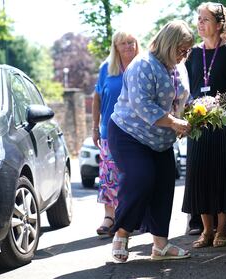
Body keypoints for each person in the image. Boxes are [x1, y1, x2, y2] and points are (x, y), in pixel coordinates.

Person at [107, 19, 194, 263]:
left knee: (164, 186)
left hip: (161, 139)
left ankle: (161, 246)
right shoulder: (143, 65)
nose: (184, 55)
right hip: (129, 133)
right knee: (141, 178)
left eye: (187, 50)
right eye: (181, 49)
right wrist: (175, 123)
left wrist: (189, 118)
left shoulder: (179, 66)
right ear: (169, 44)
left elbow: (181, 99)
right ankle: (122, 233)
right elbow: (142, 105)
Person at [182, 2, 226, 248]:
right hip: (198, 126)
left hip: (225, 124)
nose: (200, 23)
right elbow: (186, 88)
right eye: (198, 18)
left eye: (205, 19)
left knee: (224, 176)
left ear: (219, 25)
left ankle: (222, 230)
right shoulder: (193, 53)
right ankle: (206, 231)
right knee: (200, 176)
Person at [93, 30, 139, 236]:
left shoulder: (143, 66)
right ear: (116, 47)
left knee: (134, 174)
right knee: (109, 175)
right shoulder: (106, 69)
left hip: (137, 130)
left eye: (131, 42)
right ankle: (109, 216)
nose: (128, 47)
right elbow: (97, 98)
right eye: (123, 43)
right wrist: (95, 126)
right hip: (109, 131)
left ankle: (131, 216)